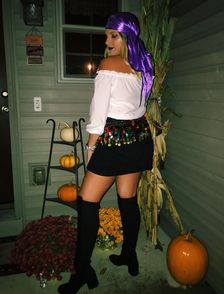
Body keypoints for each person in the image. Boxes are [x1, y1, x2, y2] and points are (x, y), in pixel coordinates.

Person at [57, 12, 154, 294]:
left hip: (112, 140)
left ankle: (82, 271)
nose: (107, 41)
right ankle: (129, 255)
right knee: (127, 198)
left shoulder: (108, 65)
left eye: (113, 35)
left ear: (126, 37)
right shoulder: (142, 66)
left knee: (87, 202)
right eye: (106, 36)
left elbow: (98, 114)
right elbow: (139, 109)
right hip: (138, 137)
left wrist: (90, 146)